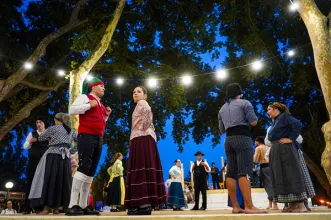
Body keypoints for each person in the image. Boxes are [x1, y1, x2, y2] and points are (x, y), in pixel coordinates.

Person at [66, 77, 112, 216]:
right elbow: (71, 110)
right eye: (102, 86)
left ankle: (84, 205)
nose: (104, 88)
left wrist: (107, 116)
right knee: (84, 166)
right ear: (93, 86)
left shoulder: (101, 104)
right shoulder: (84, 97)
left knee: (91, 170)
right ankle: (72, 204)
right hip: (86, 135)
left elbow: (100, 121)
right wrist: (88, 105)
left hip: (99, 138)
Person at [218, 83, 265, 214]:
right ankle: (249, 206)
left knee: (231, 173)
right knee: (244, 172)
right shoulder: (244, 103)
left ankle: (235, 206)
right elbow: (254, 121)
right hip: (243, 137)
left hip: (228, 140)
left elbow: (221, 130)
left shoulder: (222, 109)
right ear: (239, 93)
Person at [124, 86, 166, 215]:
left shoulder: (143, 103)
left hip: (142, 138)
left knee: (140, 169)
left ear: (145, 95)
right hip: (140, 137)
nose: (135, 93)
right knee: (141, 169)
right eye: (134, 91)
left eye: (139, 91)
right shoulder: (138, 105)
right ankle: (140, 203)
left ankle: (143, 203)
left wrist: (142, 128)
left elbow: (148, 113)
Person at [267, 102, 315, 213]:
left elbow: (297, 124)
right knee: (283, 176)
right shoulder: (275, 121)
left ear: (276, 109)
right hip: (278, 150)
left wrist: (291, 138)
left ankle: (301, 204)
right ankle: (292, 204)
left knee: (292, 174)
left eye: (269, 109)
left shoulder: (284, 117)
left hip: (286, 150)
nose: (267, 112)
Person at [28, 113, 76, 215]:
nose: (54, 122)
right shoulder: (71, 130)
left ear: (58, 120)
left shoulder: (53, 128)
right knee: (62, 181)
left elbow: (41, 138)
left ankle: (46, 208)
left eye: (55, 120)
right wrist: (71, 151)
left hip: (53, 155)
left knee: (51, 179)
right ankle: (57, 208)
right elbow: (80, 142)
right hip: (65, 156)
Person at [23, 117, 48, 214]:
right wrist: (29, 142)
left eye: (40, 122)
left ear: (44, 123)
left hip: (45, 161)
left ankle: (40, 207)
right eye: (37, 122)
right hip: (33, 161)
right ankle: (27, 208)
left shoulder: (48, 133)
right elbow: (25, 146)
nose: (38, 124)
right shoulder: (32, 133)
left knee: (42, 183)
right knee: (30, 182)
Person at [253, 136, 278, 210]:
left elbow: (255, 160)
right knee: (271, 184)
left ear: (257, 141)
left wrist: (252, 156)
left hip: (264, 167)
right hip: (271, 166)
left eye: (255, 141)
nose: (255, 143)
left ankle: (275, 205)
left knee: (268, 185)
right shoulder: (268, 147)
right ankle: (270, 204)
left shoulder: (258, 148)